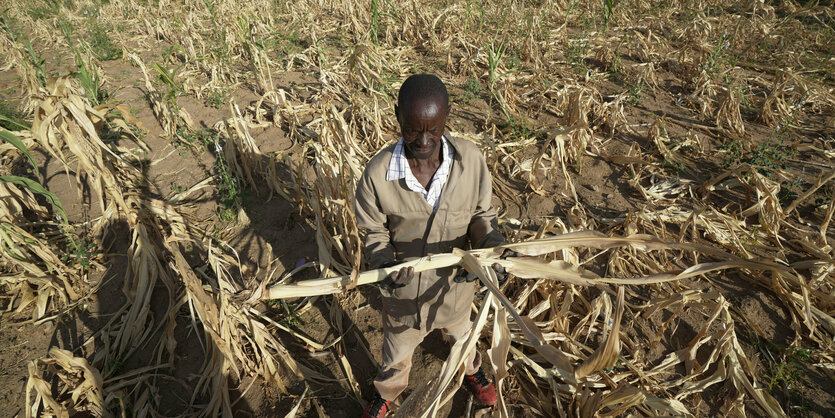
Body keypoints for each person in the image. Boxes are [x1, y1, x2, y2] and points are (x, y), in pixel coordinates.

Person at [354, 74, 507, 418]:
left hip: (454, 290)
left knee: (463, 337)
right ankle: (387, 393)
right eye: (412, 130)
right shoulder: (378, 175)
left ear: (446, 118)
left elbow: (482, 216)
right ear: (397, 116)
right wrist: (383, 265)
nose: (423, 141)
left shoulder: (469, 161)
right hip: (403, 298)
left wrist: (490, 247)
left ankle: (472, 370)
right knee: (396, 352)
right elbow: (373, 232)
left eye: (433, 130)